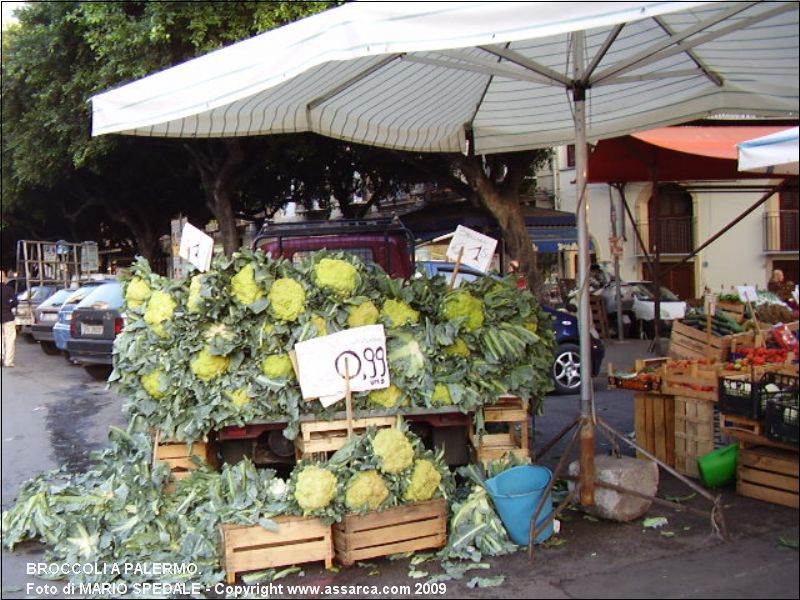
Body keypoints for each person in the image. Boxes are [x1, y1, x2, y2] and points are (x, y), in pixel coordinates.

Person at [1, 271, 18, 368]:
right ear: (4, 278)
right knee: (10, 339)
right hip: (8, 317)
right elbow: (15, 302)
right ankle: (8, 361)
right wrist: (9, 306)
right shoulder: (9, 289)